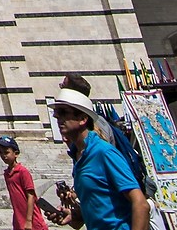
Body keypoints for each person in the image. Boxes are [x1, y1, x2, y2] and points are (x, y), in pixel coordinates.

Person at [49, 89, 148, 230]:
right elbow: (101, 206)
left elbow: (141, 204)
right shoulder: (79, 156)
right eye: (56, 114)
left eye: (63, 113)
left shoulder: (104, 152)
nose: (58, 118)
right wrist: (76, 215)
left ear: (83, 119)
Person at [0, 136, 50, 230]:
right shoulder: (7, 173)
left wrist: (29, 221)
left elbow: (31, 196)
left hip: (31, 218)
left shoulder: (22, 172)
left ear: (16, 153)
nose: (4, 155)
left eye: (7, 152)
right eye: (1, 152)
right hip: (18, 216)